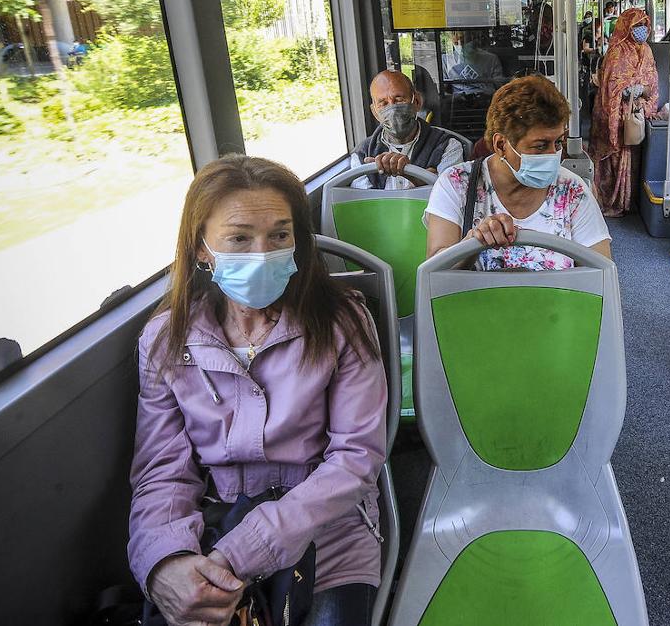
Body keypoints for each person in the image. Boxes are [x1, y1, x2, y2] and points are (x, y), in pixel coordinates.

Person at [129, 154, 387, 626]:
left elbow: (355, 458)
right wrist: (167, 561)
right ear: (202, 248)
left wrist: (244, 551)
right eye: (239, 238)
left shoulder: (342, 323)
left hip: (327, 529)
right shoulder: (167, 340)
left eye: (279, 236)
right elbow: (162, 472)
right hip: (213, 529)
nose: (262, 253)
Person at [425, 75, 611, 270]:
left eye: (557, 143)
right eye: (540, 146)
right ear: (501, 145)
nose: (553, 154)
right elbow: (436, 272)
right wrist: (472, 244)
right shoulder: (456, 184)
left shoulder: (572, 191)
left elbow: (601, 272)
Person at [589, 8, 659, 217]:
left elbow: (652, 80)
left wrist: (645, 92)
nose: (642, 30)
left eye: (644, 25)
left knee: (634, 155)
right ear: (626, 27)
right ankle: (611, 200)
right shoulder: (617, 51)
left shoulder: (647, 50)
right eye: (637, 26)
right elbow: (612, 86)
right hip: (614, 112)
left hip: (635, 112)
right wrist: (639, 89)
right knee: (615, 156)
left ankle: (628, 201)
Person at [350, 70, 464, 190]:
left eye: (399, 100)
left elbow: (451, 193)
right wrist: (429, 177)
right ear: (375, 113)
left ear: (417, 102)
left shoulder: (447, 146)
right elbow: (363, 199)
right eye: (383, 104)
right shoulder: (362, 154)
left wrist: (410, 173)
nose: (392, 109)